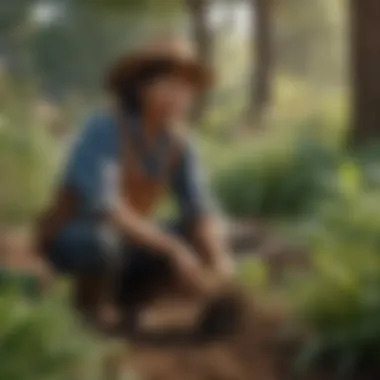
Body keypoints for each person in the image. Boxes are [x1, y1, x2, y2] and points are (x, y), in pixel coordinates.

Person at [36, 39, 235, 331]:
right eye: (169, 85)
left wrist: (219, 258)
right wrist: (172, 250)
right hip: (78, 235)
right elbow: (107, 208)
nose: (179, 97)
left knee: (198, 237)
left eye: (186, 88)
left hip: (130, 238)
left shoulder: (180, 144)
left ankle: (132, 302)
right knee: (100, 243)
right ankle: (90, 309)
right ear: (141, 88)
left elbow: (200, 208)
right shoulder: (105, 128)